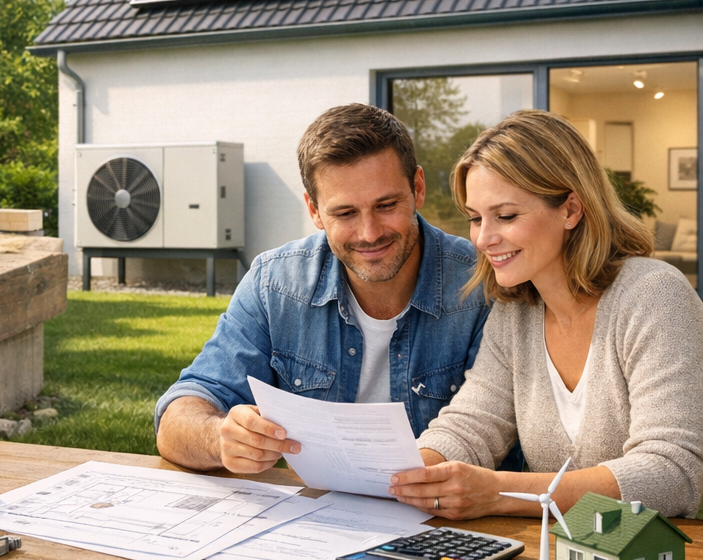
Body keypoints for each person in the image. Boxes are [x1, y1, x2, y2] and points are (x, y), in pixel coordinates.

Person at [389, 110, 703, 519]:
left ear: (571, 209)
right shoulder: (514, 313)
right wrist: (400, 473)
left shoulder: (654, 296)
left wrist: (500, 492)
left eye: (505, 216)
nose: (484, 238)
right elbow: (470, 425)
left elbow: (675, 472)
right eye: (475, 218)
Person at [155, 103, 493, 474]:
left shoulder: (481, 284)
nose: (370, 232)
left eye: (386, 205)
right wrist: (220, 438)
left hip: (448, 521)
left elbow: (493, 432)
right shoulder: (276, 284)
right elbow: (180, 415)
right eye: (345, 213)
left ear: (418, 188)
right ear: (314, 210)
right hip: (320, 518)